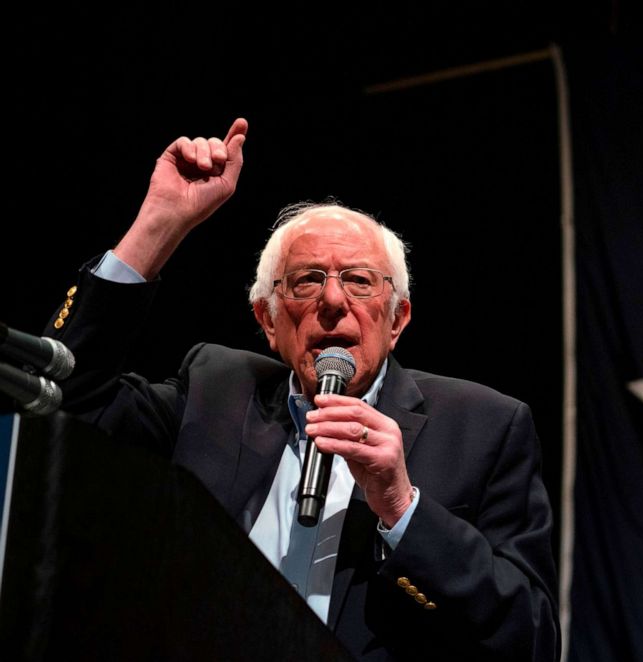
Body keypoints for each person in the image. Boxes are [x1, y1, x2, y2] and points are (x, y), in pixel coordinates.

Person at [48, 118, 560, 661]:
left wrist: (403, 508)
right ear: (268, 319)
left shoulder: (484, 426)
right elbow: (66, 396)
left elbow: (530, 638)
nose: (333, 301)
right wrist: (158, 223)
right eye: (307, 280)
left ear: (397, 320)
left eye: (360, 280)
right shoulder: (217, 389)